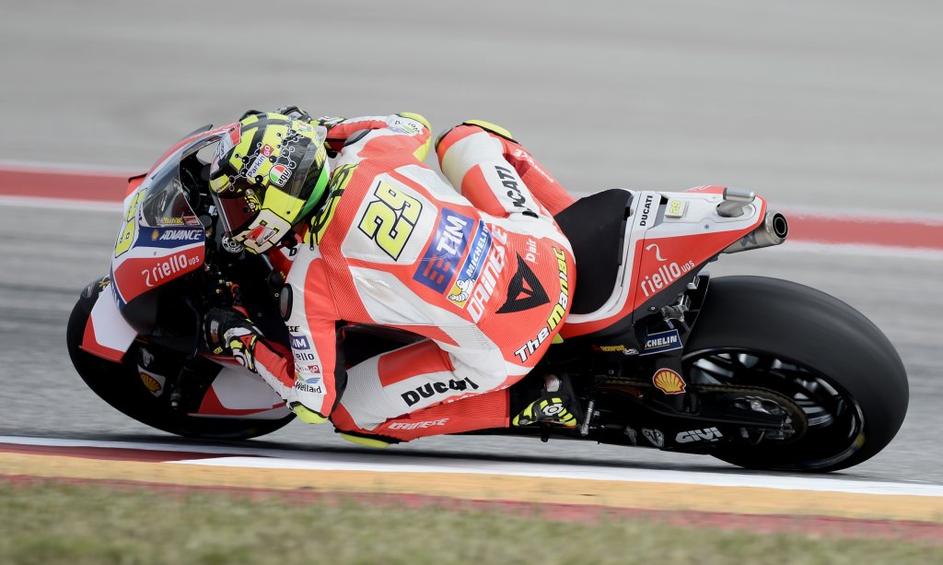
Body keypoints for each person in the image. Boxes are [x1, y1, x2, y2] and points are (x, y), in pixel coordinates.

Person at [204, 107, 579, 445]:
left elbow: (312, 402)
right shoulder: (371, 148)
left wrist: (240, 340)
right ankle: (579, 219)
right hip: (550, 255)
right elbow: (414, 125)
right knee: (465, 137)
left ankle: (527, 401)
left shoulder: (310, 278)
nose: (235, 218)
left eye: (239, 206)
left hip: (511, 350)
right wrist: (319, 128)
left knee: (349, 415)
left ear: (278, 200)